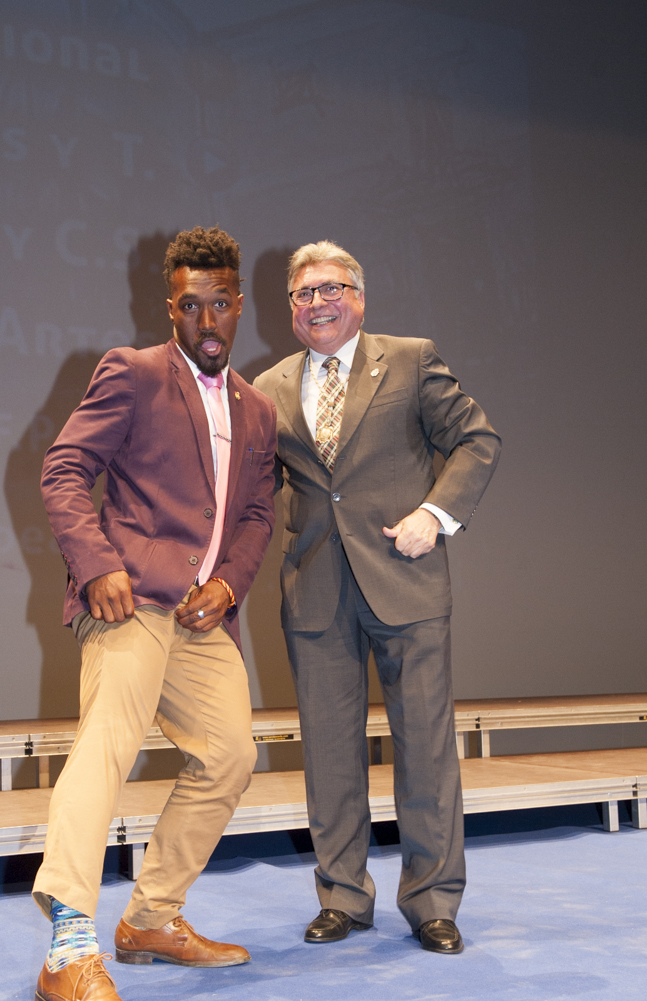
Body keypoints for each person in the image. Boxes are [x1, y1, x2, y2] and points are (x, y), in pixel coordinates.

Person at [32, 226, 277, 1001]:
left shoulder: (257, 407)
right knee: (107, 744)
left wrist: (230, 582)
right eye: (190, 305)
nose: (207, 319)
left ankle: (149, 918)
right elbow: (64, 469)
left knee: (231, 755)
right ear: (170, 307)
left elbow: (255, 514)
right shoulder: (132, 373)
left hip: (203, 618)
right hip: (130, 601)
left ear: (237, 306)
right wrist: (97, 562)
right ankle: (69, 954)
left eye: (220, 303)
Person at [253, 241, 500, 954]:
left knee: (425, 749)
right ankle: (342, 896)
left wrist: (435, 515)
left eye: (332, 288)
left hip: (406, 579)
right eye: (304, 293)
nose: (318, 303)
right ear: (291, 308)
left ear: (358, 297)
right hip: (315, 590)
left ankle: (433, 902)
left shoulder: (411, 359)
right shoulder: (267, 386)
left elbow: (477, 439)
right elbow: (255, 492)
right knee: (330, 754)